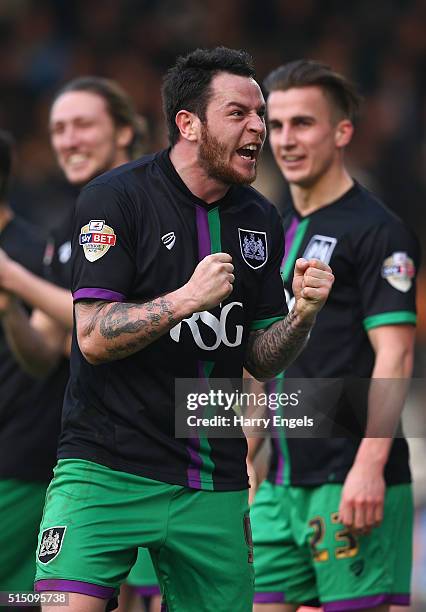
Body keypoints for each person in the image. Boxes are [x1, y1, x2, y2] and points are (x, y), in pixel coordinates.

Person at [33, 47, 333, 612]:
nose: (259, 127)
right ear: (188, 124)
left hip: (211, 479)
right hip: (104, 466)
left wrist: (302, 317)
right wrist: (184, 300)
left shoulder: (260, 219)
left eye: (259, 113)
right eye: (239, 113)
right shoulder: (115, 198)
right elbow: (93, 337)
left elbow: (262, 359)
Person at [249, 60, 419, 612]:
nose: (286, 140)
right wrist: (251, 455)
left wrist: (368, 467)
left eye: (303, 123)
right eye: (275, 126)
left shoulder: (378, 230)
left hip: (350, 481)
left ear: (342, 131)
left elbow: (395, 352)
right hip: (280, 484)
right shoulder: (278, 228)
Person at [0, 78, 159, 610]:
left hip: (162, 443)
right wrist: (9, 307)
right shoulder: (68, 226)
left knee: (152, 596)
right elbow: (46, 351)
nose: (68, 140)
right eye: (58, 130)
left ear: (122, 131)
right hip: (95, 450)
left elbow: (97, 324)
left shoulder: (156, 210)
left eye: (82, 125)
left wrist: (15, 279)